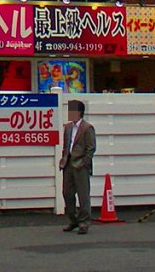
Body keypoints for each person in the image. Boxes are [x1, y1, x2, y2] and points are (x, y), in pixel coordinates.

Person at [59, 99, 96, 234]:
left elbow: (91, 148)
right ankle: (73, 220)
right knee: (67, 193)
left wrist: (85, 162)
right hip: (68, 164)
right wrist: (63, 159)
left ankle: (84, 222)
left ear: (79, 112)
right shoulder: (68, 127)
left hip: (80, 165)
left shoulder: (87, 128)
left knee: (83, 195)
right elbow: (66, 145)